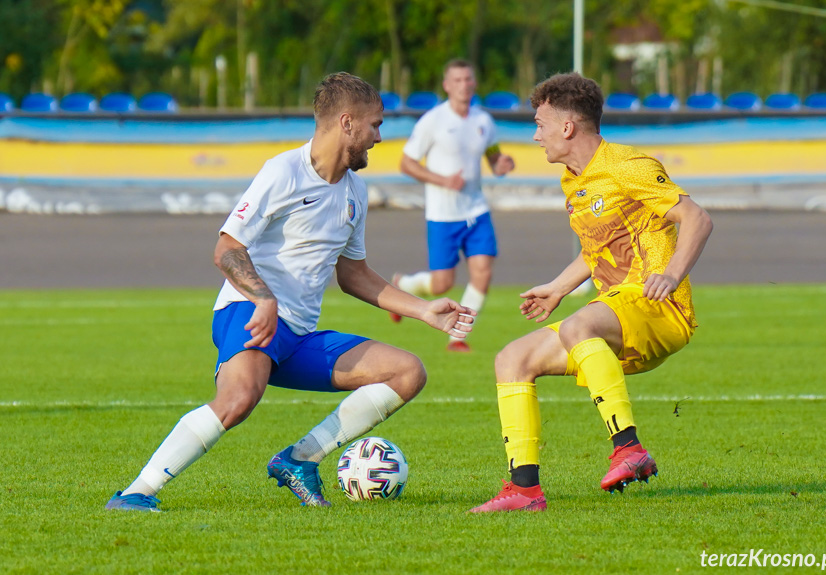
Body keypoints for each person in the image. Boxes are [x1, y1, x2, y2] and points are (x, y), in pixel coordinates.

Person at [105, 72, 475, 512]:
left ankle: (298, 461)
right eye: (375, 125)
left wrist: (423, 311)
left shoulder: (356, 190)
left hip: (297, 335)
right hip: (247, 313)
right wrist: (264, 298)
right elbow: (226, 248)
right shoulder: (283, 172)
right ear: (347, 123)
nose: (379, 136)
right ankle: (135, 493)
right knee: (238, 399)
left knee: (407, 372)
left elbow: (353, 274)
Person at [469, 72, 713, 513]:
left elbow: (697, 218)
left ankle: (629, 449)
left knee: (581, 324)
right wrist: (558, 289)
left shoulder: (627, 166)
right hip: (616, 314)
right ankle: (524, 490)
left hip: (659, 308)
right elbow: (596, 249)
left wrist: (672, 276)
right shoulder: (572, 180)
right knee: (512, 359)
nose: (535, 134)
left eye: (541, 124)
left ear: (567, 127)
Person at [390, 59, 515, 352]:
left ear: (475, 83)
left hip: (476, 210)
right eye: (457, 80)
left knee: (483, 271)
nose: (464, 85)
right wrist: (442, 180)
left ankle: (457, 336)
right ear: (447, 85)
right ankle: (404, 285)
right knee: (441, 285)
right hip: (443, 215)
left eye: (468, 79)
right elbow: (406, 163)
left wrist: (502, 164)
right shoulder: (433, 120)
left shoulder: (484, 121)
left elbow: (494, 158)